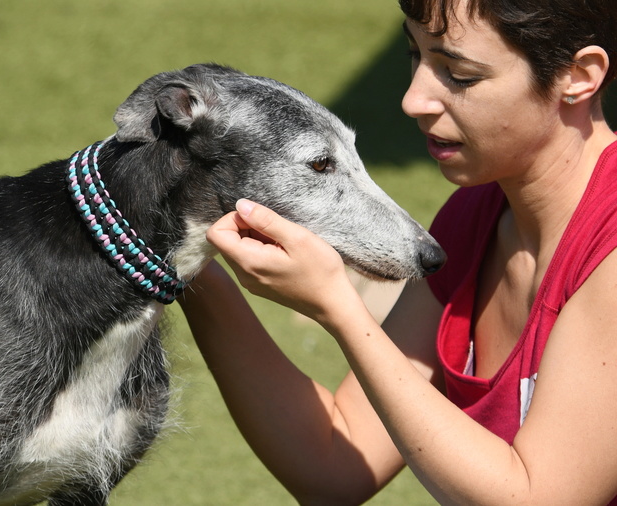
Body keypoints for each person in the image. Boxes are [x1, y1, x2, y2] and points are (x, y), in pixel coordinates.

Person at [178, 0, 617, 503]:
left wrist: (339, 308)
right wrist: (187, 262)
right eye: (416, 54)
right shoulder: (474, 216)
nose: (414, 100)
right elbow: (334, 463)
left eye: (459, 74)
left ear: (579, 77)